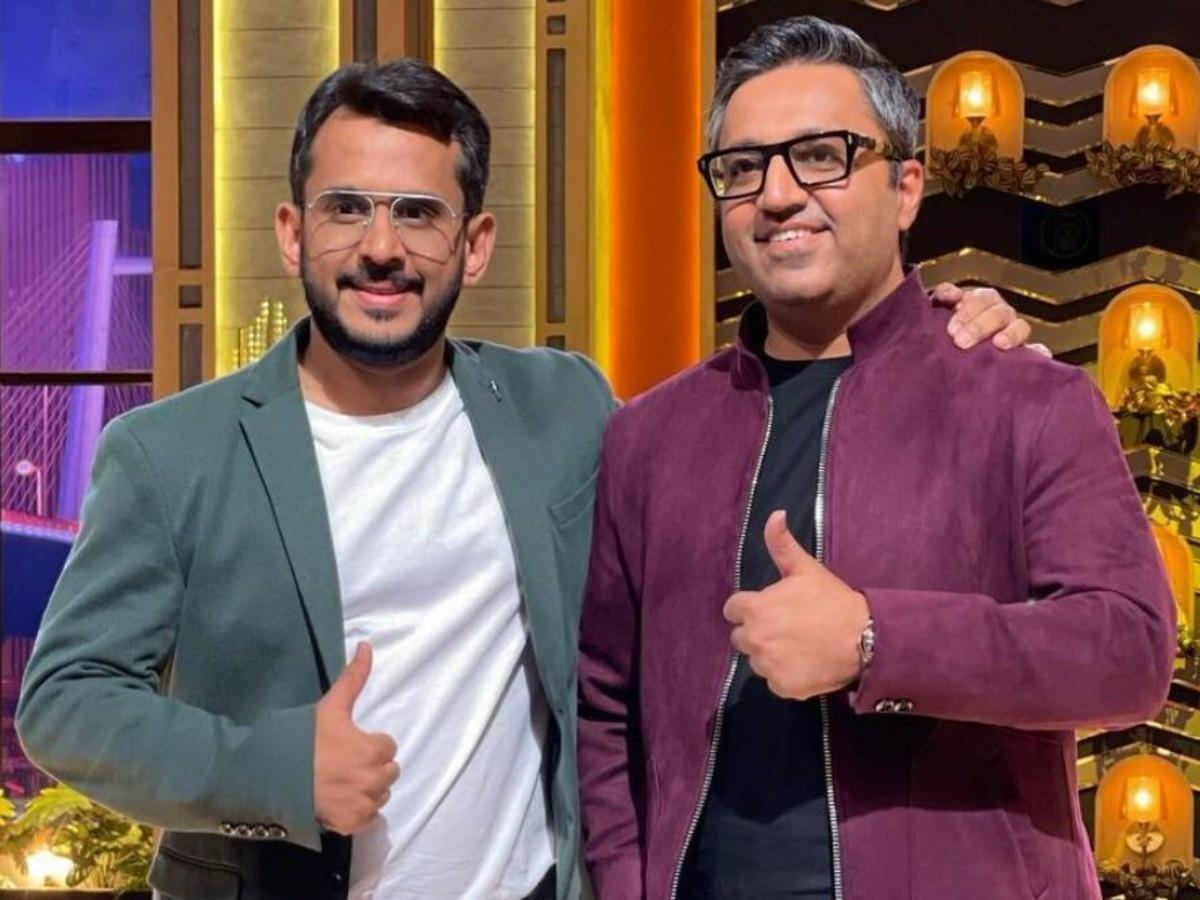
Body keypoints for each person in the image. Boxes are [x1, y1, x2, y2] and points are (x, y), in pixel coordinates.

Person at [17, 58, 1026, 900]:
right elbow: (65, 703)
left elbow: (713, 478)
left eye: (419, 213)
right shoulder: (169, 453)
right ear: (292, 232)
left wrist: (935, 332)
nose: (381, 248)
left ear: (475, 244)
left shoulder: (562, 407)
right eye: (346, 210)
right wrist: (275, 770)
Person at [576, 17, 1176, 900]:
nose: (778, 195)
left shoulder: (1026, 399)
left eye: (822, 156)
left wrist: (875, 641)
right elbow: (606, 712)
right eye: (743, 168)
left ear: (905, 188)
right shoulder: (649, 436)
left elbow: (1129, 654)